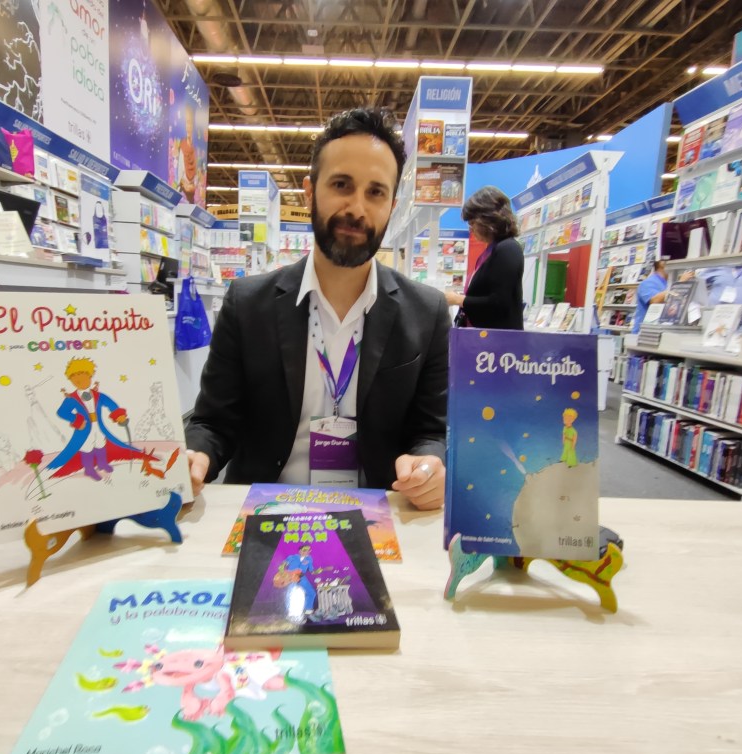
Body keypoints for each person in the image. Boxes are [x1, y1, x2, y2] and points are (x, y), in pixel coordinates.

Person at [184, 107, 449, 510]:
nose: (357, 208)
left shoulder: (426, 313)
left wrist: (429, 465)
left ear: (392, 205)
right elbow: (212, 422)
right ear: (310, 192)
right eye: (341, 184)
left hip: (375, 512)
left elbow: (431, 431)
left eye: (375, 192)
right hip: (265, 509)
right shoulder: (247, 303)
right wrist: (196, 455)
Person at [444, 186, 524, 329]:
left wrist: (459, 300)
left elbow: (499, 303)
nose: (471, 229)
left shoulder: (508, 249)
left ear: (488, 219)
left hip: (497, 339)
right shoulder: (491, 250)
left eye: (472, 223)